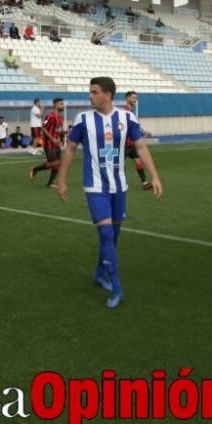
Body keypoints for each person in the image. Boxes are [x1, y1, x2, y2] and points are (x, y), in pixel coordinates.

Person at [56, 77, 163, 309]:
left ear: (107, 94)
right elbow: (70, 149)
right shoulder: (83, 119)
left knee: (112, 236)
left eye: (94, 92)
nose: (90, 96)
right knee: (105, 235)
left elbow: (141, 147)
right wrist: (62, 180)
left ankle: (98, 273)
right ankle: (116, 287)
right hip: (95, 187)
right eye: (90, 92)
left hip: (119, 186)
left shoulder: (127, 118)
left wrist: (154, 175)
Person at [29, 98, 65, 188]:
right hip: (49, 144)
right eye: (61, 104)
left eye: (63, 104)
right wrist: (52, 138)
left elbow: (58, 130)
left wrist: (63, 135)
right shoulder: (50, 116)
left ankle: (50, 183)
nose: (63, 106)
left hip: (56, 144)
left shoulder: (61, 117)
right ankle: (35, 169)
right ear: (55, 105)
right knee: (55, 162)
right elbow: (43, 128)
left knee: (58, 164)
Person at [123, 91, 154, 190]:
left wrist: (143, 132)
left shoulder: (131, 111)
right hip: (123, 145)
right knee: (118, 165)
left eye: (136, 98)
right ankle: (121, 184)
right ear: (127, 98)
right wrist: (143, 133)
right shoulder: (125, 111)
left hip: (131, 144)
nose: (135, 100)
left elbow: (135, 127)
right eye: (133, 98)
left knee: (139, 162)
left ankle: (145, 183)